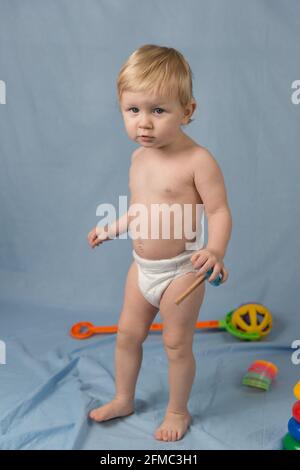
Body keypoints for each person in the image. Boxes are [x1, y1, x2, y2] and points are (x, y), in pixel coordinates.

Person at [87, 44, 232, 442]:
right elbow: (140, 209)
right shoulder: (139, 158)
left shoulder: (198, 161)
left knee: (175, 344)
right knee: (127, 335)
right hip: (142, 268)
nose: (144, 124)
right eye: (133, 111)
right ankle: (123, 397)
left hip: (182, 270)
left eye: (158, 111)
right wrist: (111, 227)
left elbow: (218, 212)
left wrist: (215, 251)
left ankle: (177, 410)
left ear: (187, 111)